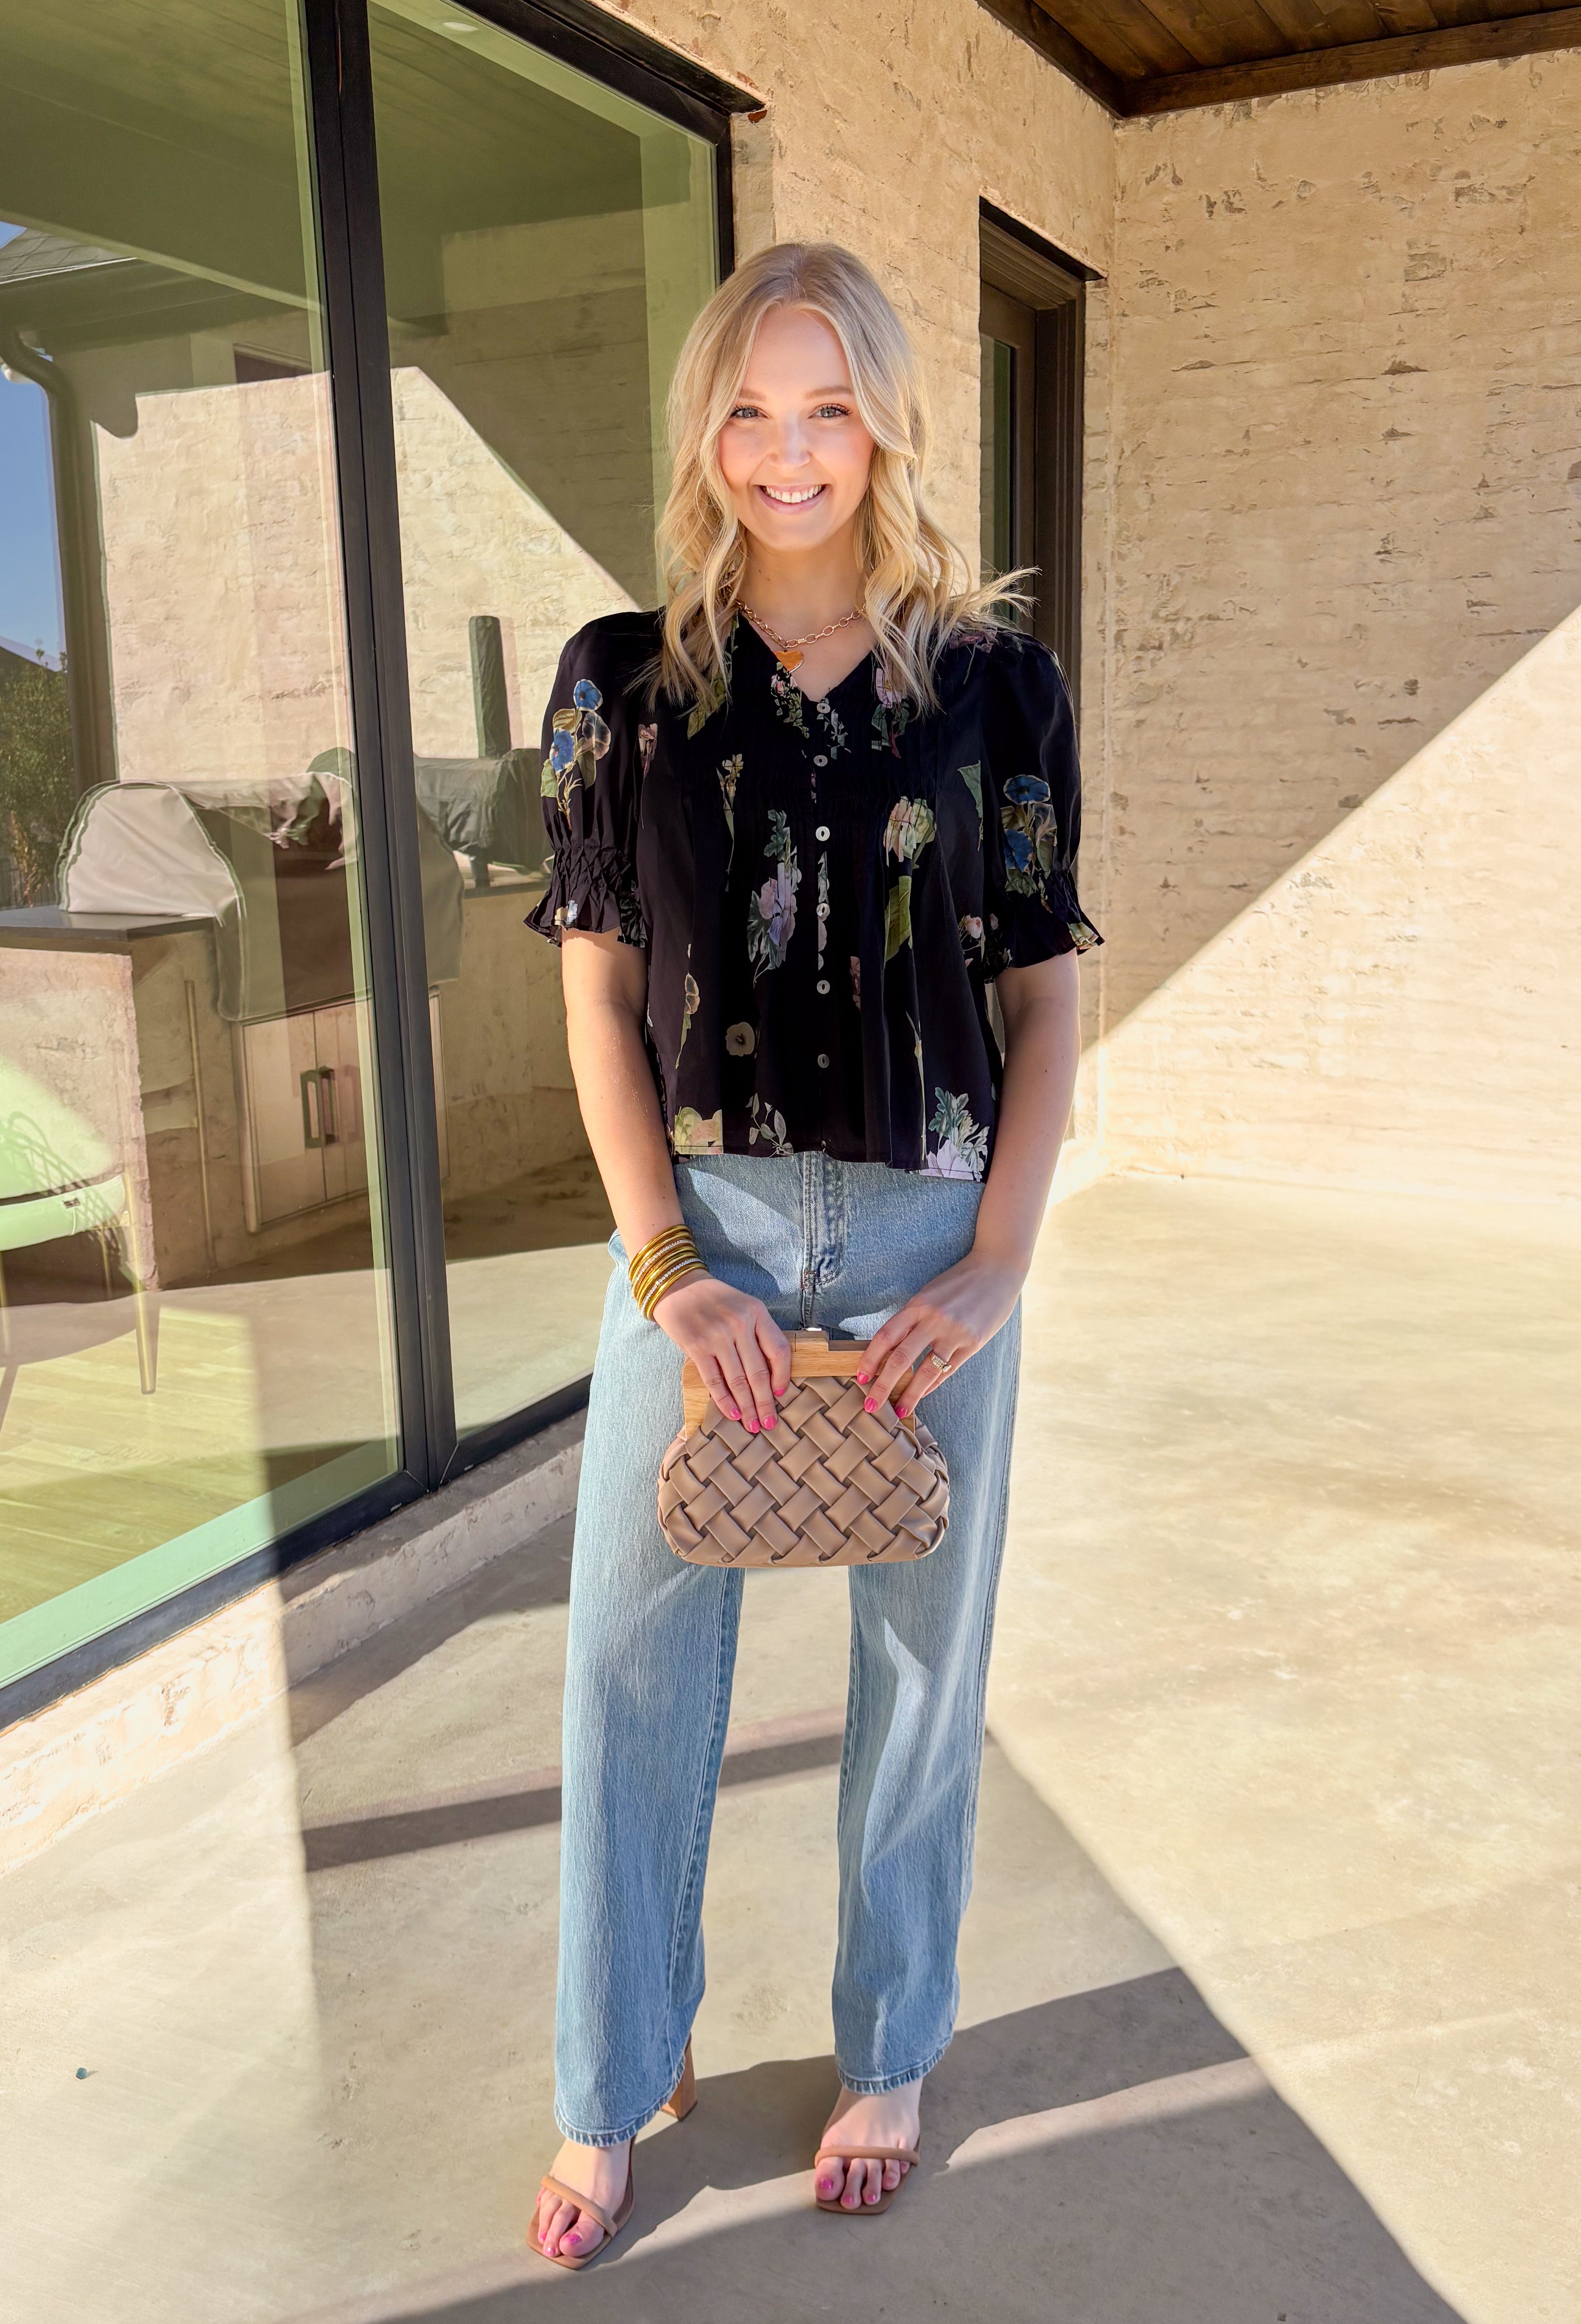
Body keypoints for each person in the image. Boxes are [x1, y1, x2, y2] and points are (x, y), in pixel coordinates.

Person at [526, 240, 1099, 2268]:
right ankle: (613, 2069)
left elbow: (1040, 1000)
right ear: (706, 429)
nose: (789, 453)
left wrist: (1000, 1260)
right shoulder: (621, 680)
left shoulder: (995, 685)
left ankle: (889, 2045)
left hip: (932, 1230)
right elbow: (599, 999)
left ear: (884, 427)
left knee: (924, 1666)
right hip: (704, 1233)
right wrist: (662, 1267)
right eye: (751, 411)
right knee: (627, 1658)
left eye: (829, 408)